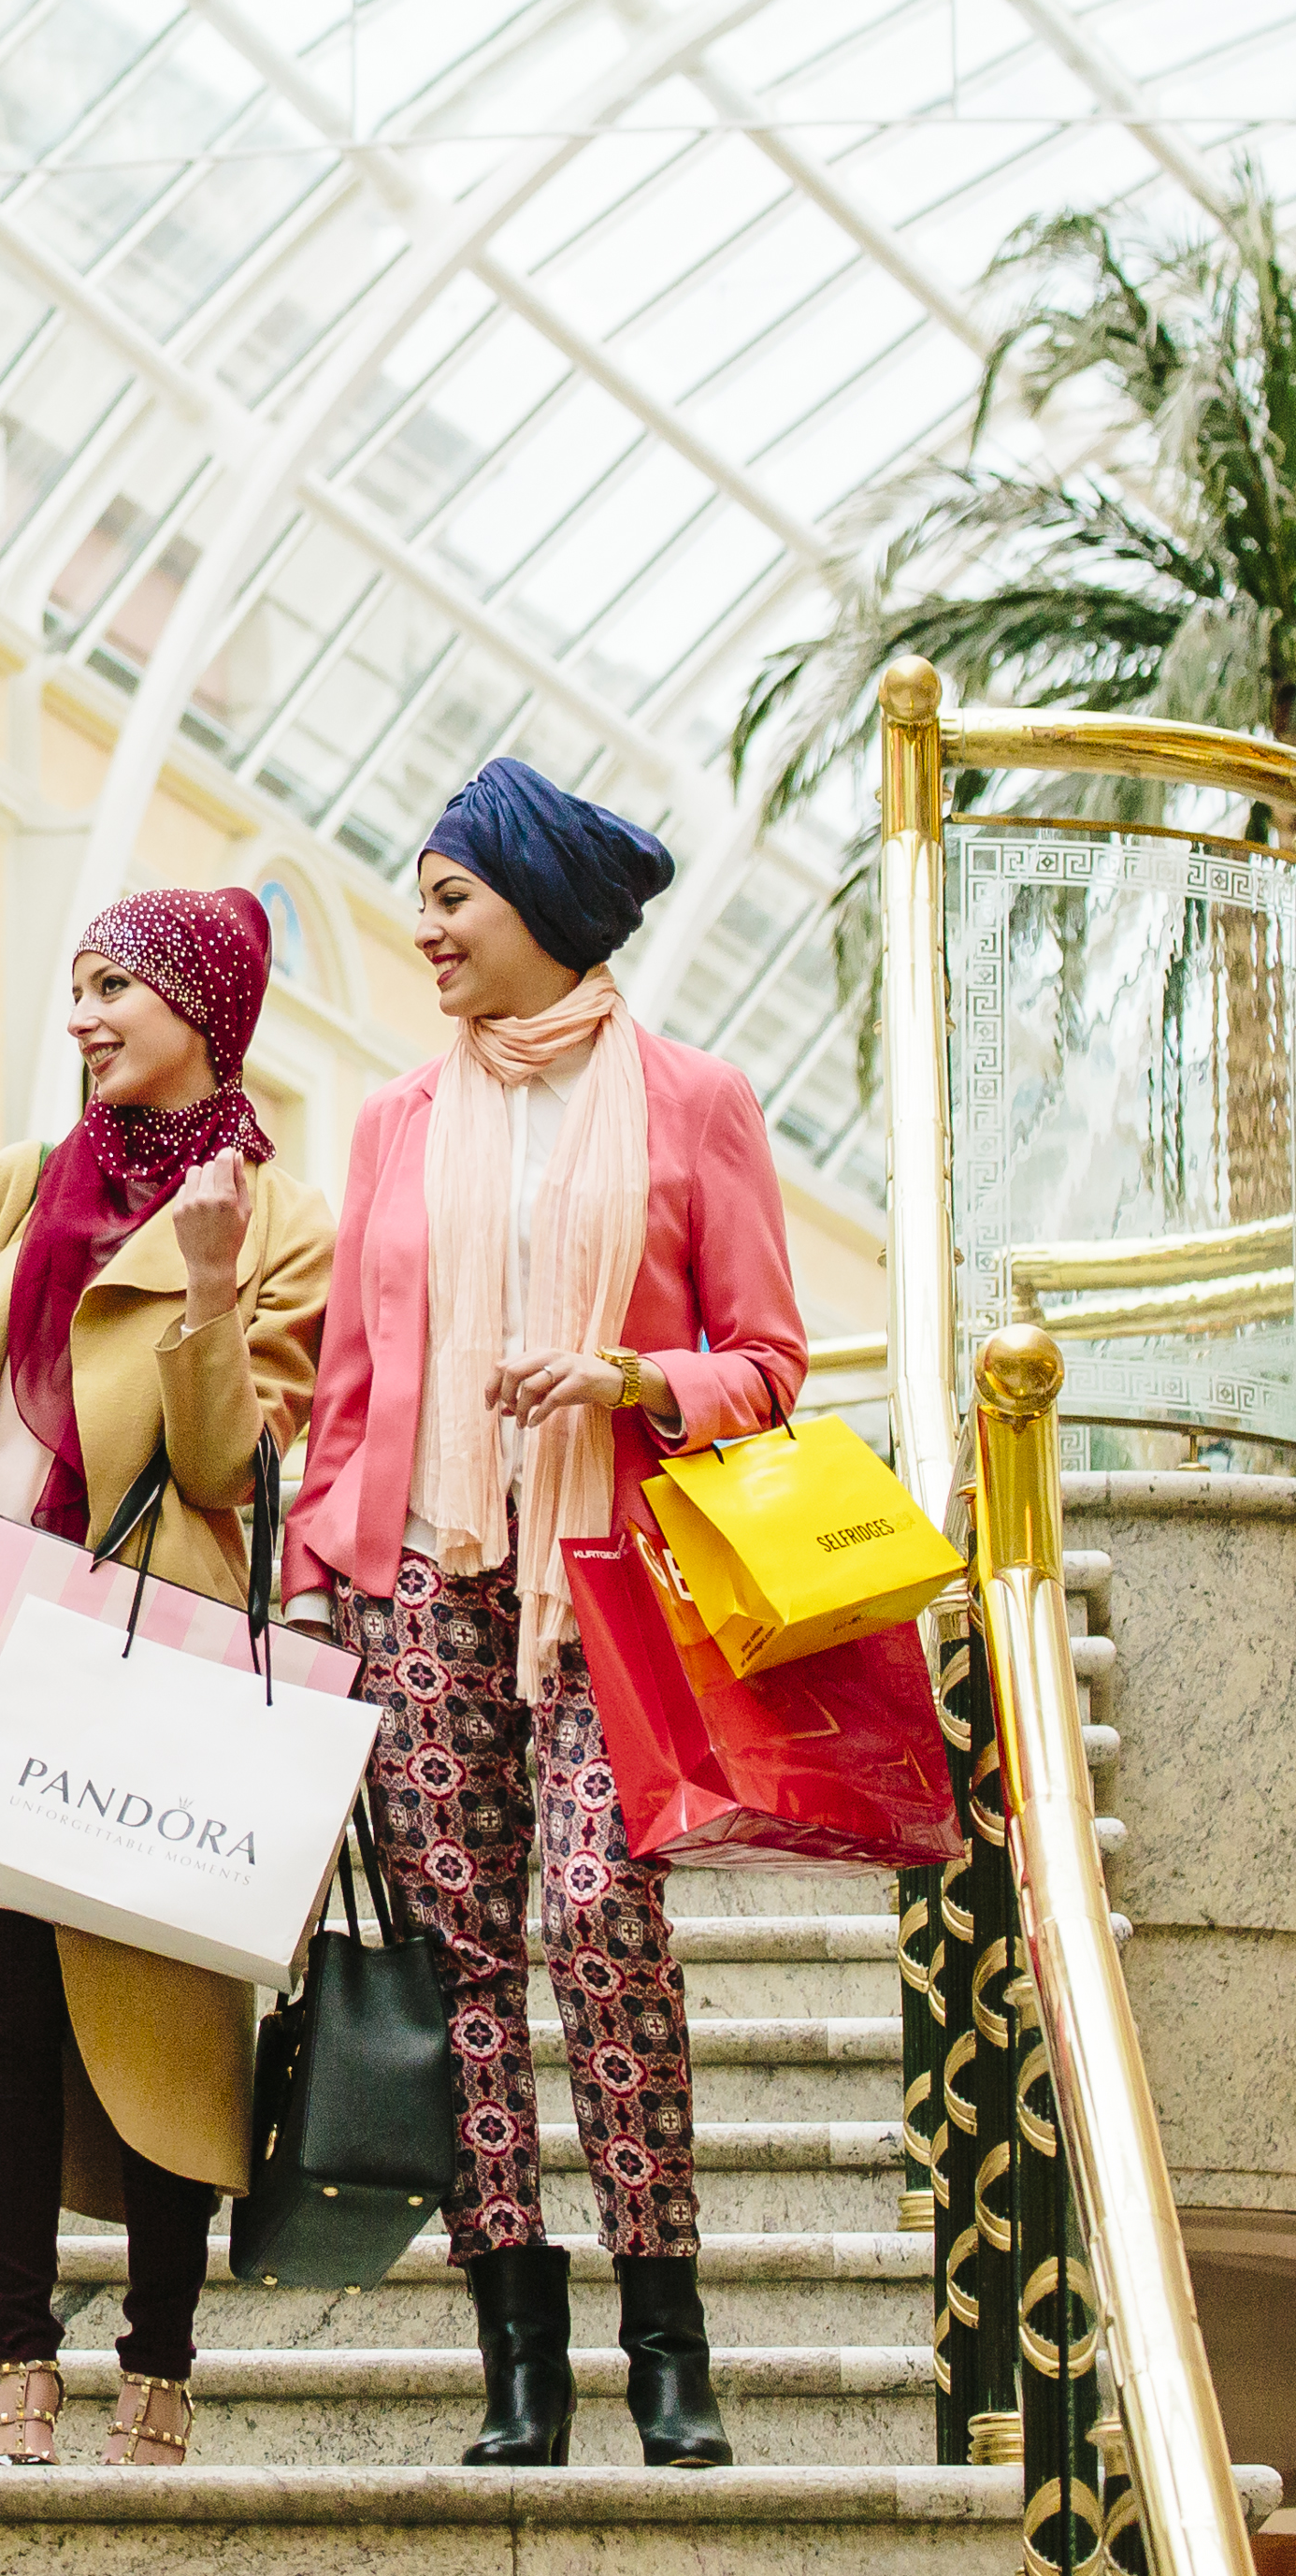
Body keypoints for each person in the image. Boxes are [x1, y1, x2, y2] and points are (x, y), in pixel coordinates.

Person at [276, 758, 806, 2471]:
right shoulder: (393, 1124)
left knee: (594, 1913)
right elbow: (351, 1387)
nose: (420, 927)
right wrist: (311, 1592)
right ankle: (518, 2355)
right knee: (464, 1966)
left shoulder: (696, 1101)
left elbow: (772, 1369)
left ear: (541, 910)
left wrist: (633, 1375)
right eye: (421, 897)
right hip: (419, 1578)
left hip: (611, 1586)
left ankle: (670, 2337)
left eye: (450, 896)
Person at [0, 890, 332, 2469]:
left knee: (166, 2005)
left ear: (201, 1003)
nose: (81, 1016)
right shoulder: (8, 1191)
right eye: (72, 985)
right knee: (2, 2011)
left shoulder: (280, 1220)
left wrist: (207, 1288)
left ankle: (160, 2362)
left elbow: (224, 1463)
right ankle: (20, 2361)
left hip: (152, 1646)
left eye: (114, 986)